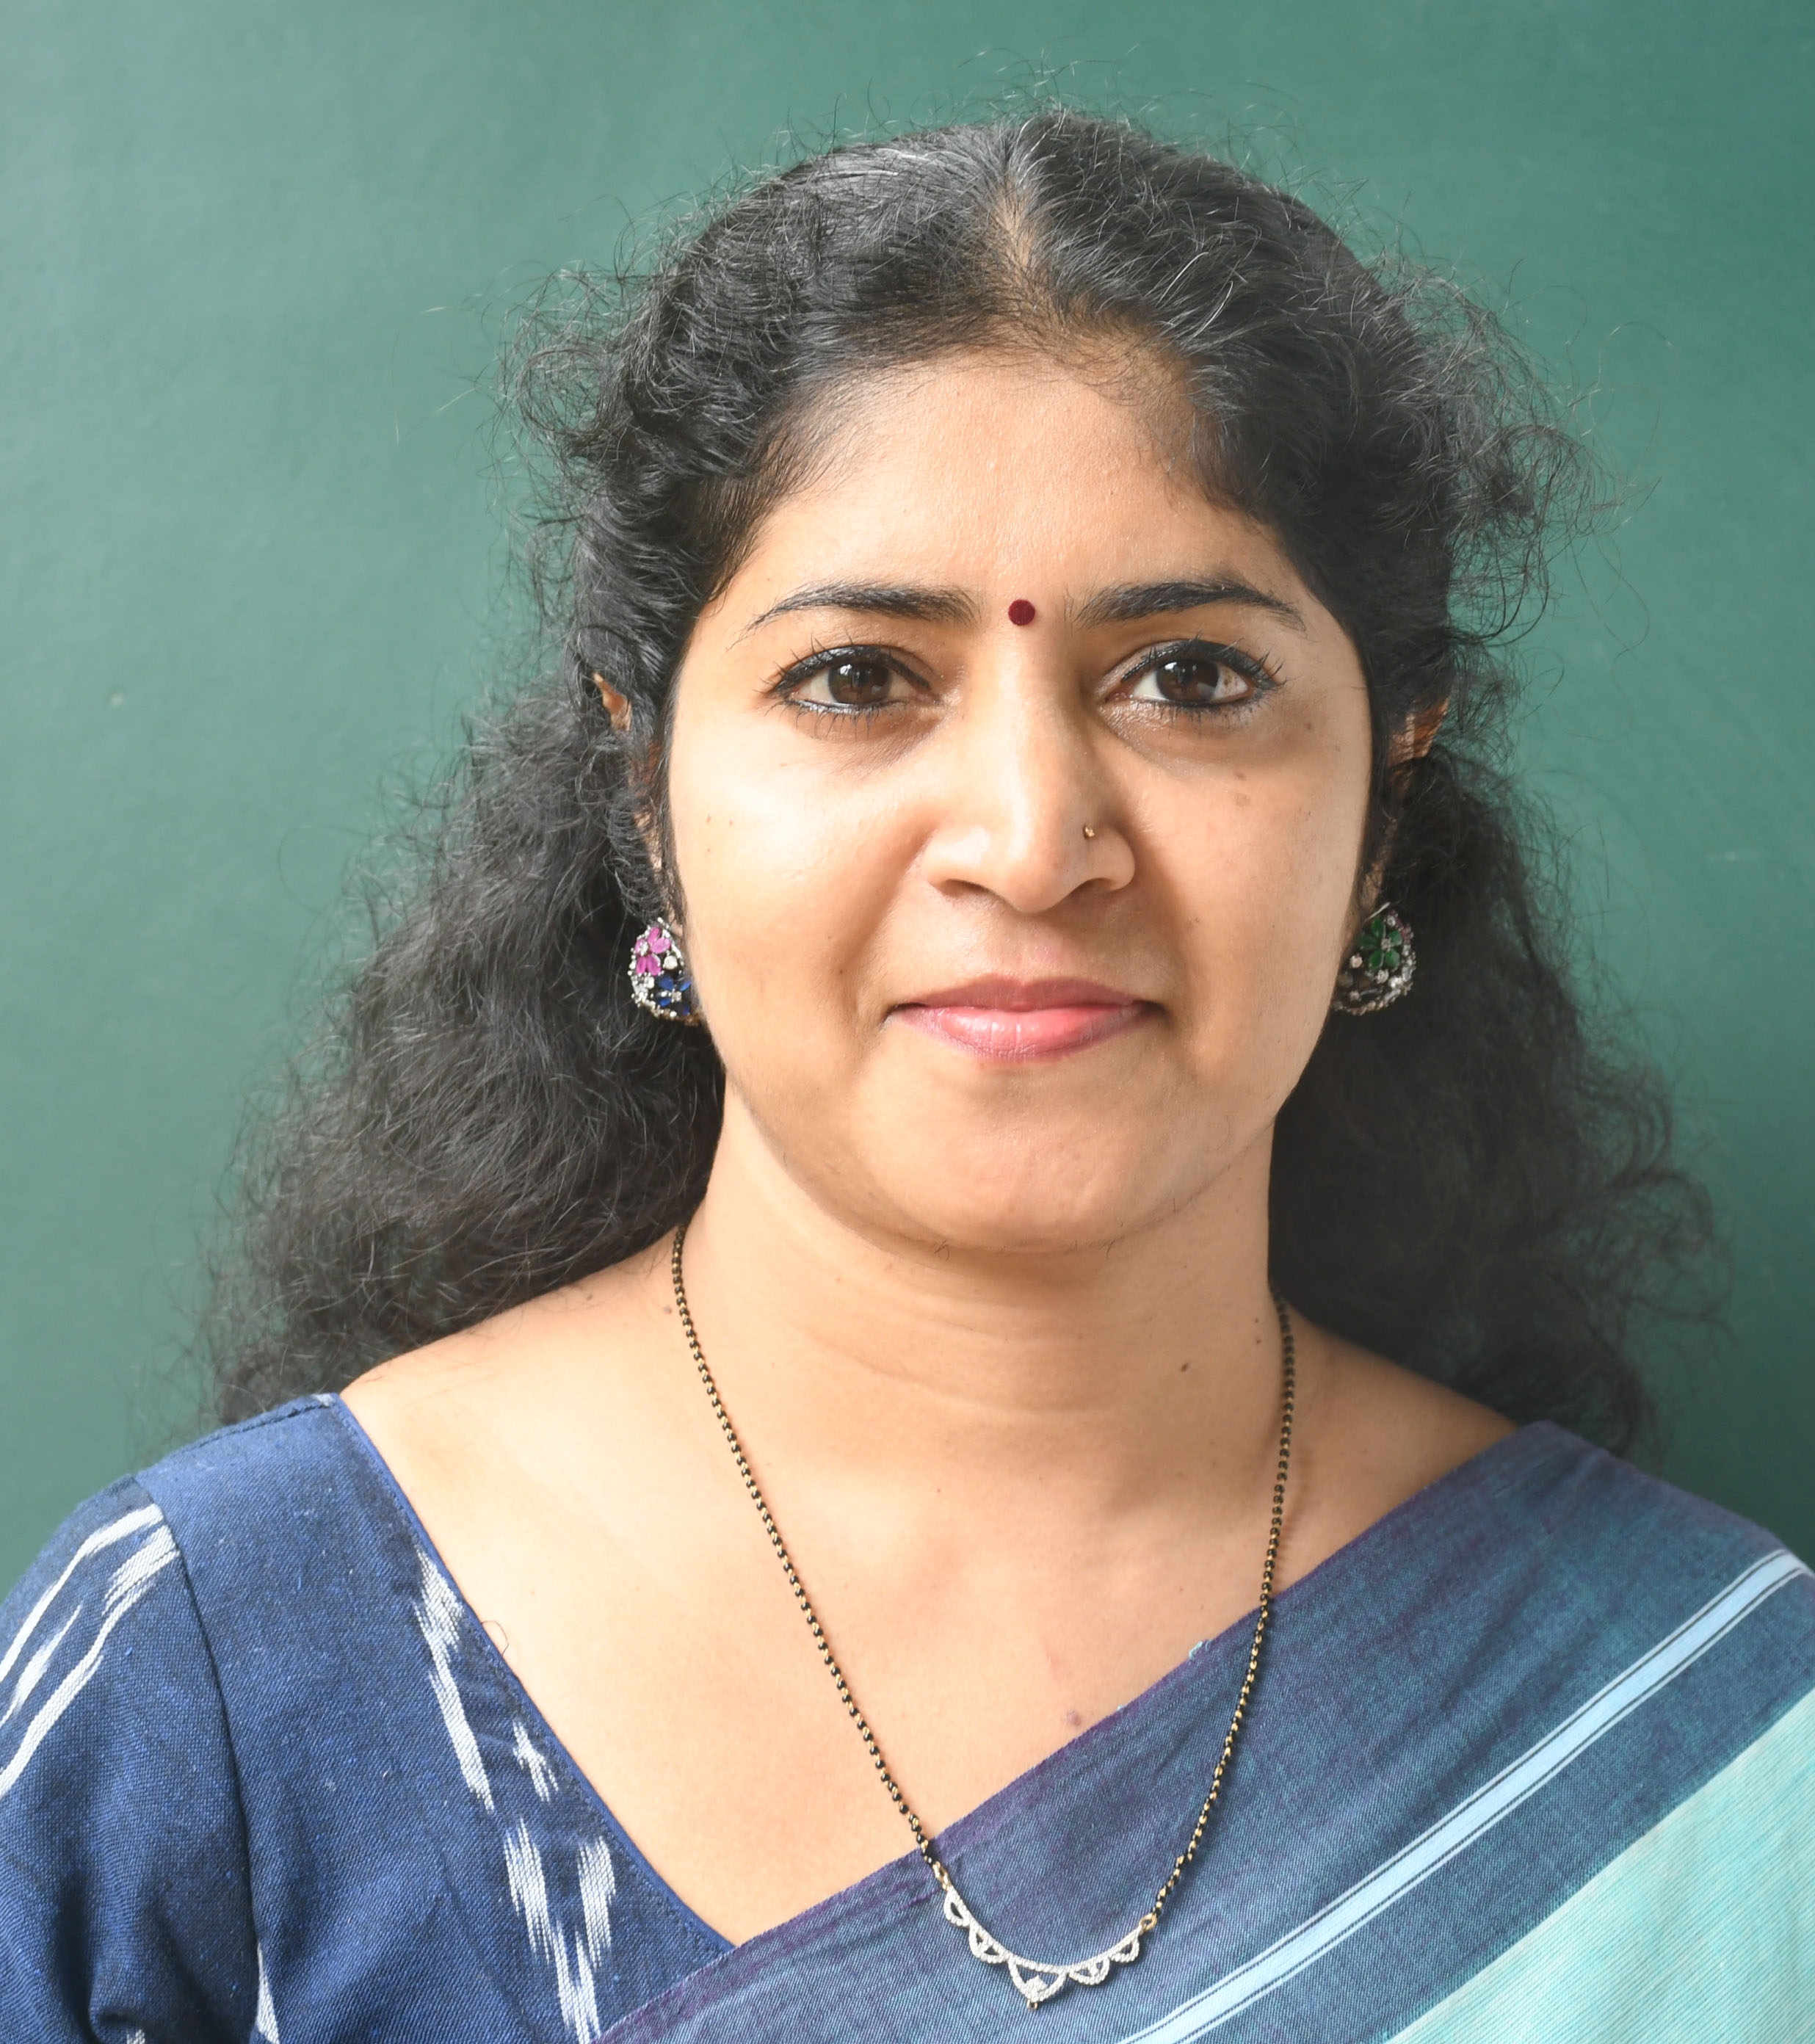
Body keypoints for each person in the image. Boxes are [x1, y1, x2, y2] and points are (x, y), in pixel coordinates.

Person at [3, 110, 1809, 2044]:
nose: (1032, 845)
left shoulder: (1708, 1750)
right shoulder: (219, 1676)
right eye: (859, 679)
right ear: (645, 785)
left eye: (1193, 677)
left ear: (1386, 790)